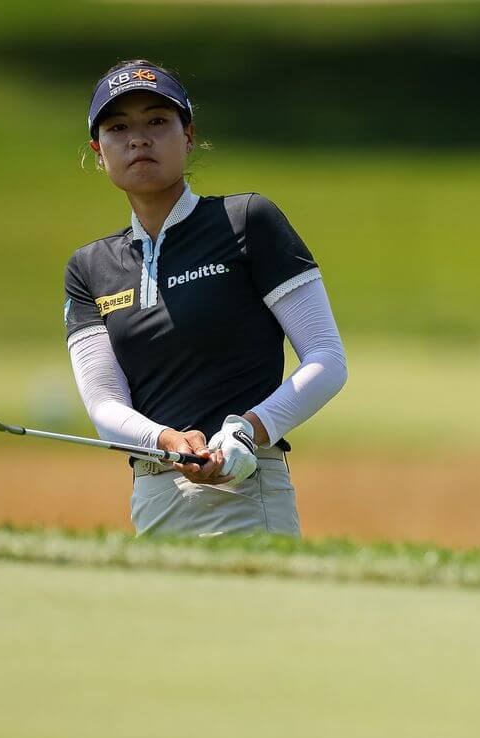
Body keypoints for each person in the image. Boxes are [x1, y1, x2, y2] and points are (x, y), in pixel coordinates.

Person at [64, 60, 347, 537]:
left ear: (189, 135)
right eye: (118, 128)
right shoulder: (90, 267)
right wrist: (165, 439)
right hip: (154, 498)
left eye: (157, 121)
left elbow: (327, 358)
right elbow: (104, 405)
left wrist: (248, 430)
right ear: (98, 151)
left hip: (245, 490)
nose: (138, 140)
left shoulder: (247, 221)